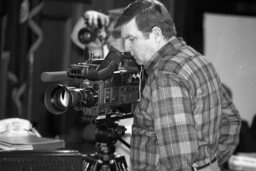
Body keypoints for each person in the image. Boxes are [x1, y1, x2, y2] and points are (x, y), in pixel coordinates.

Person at [114, 0, 242, 170]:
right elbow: (231, 121)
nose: (126, 48)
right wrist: (209, 165)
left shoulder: (164, 77)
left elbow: (179, 163)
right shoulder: (198, 60)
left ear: (156, 35)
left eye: (131, 39)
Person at [70, 9, 133, 170]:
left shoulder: (136, 61)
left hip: (131, 142)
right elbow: (77, 34)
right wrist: (94, 19)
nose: (109, 37)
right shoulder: (107, 56)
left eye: (115, 33)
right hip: (109, 133)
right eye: (108, 33)